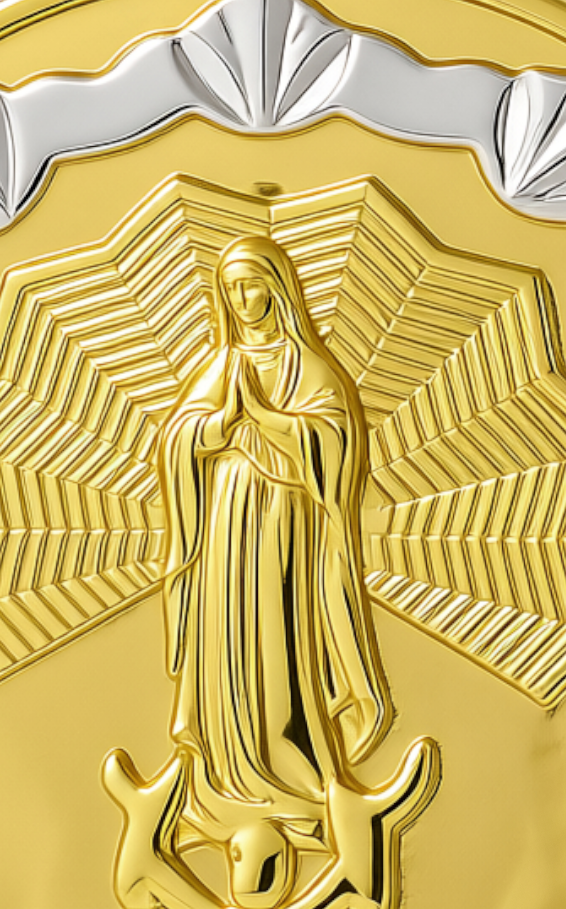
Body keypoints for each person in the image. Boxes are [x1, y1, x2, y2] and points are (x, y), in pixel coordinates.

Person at [156, 235, 391, 828]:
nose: (242, 300)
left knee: (275, 641)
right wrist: (217, 427)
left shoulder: (308, 366)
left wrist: (264, 419)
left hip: (282, 519)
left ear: (278, 290)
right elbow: (180, 437)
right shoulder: (225, 365)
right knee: (226, 639)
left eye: (252, 286)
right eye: (232, 290)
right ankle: (225, 771)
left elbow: (332, 440)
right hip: (225, 520)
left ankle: (290, 772)